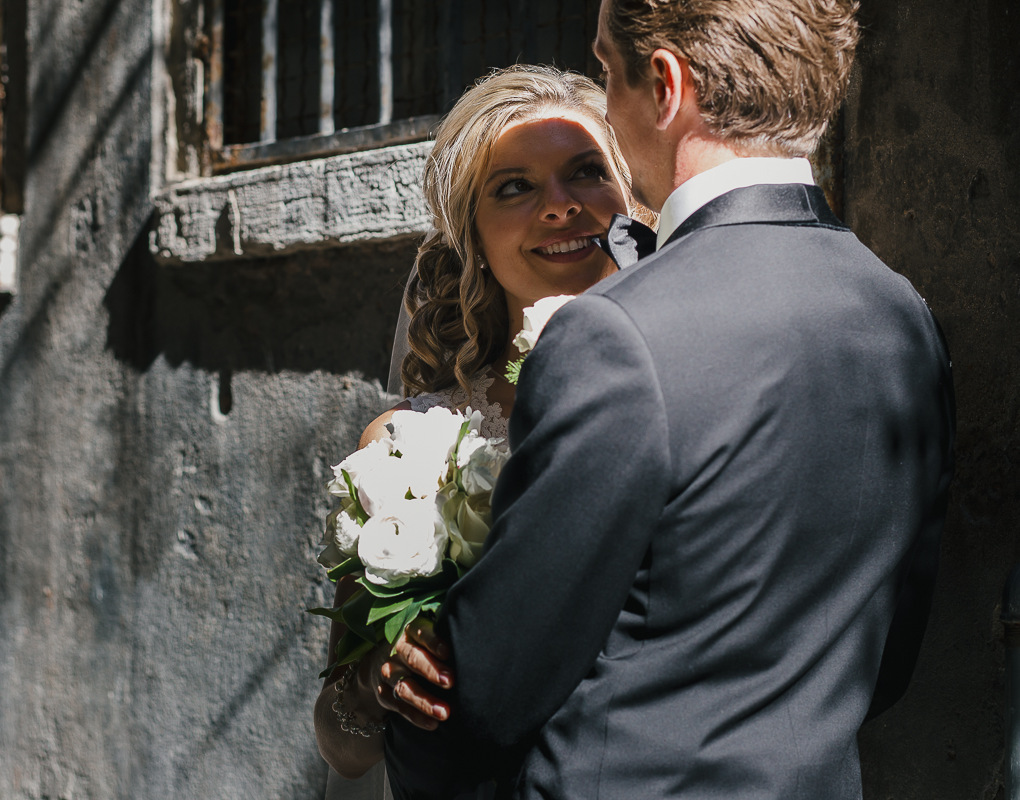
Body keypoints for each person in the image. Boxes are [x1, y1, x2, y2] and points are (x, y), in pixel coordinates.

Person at [384, 1, 956, 799]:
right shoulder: (901, 314)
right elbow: (885, 661)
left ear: (664, 85)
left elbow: (487, 692)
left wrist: (412, 738)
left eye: (606, 72)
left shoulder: (614, 336)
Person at [313, 64, 657, 800]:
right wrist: (380, 680)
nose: (560, 207)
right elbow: (341, 749)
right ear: (472, 232)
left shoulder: (694, 392)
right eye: (514, 187)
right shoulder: (405, 447)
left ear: (631, 199)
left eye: (587, 172)